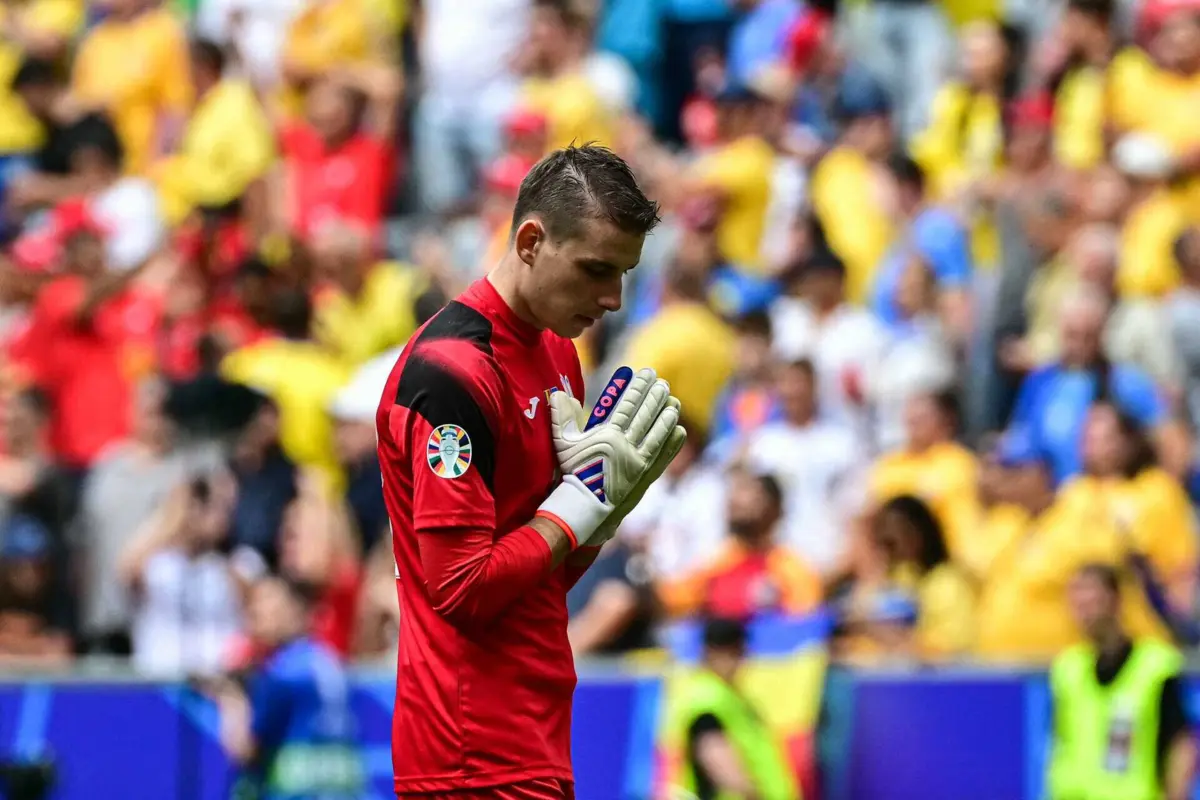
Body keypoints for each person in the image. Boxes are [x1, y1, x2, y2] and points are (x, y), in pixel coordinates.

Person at [376, 144, 687, 799]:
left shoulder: (558, 352)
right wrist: (576, 505)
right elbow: (462, 588)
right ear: (529, 241)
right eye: (596, 269)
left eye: (625, 274)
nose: (613, 298)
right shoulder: (452, 375)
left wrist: (604, 510)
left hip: (533, 739)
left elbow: (542, 575)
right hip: (468, 754)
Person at [1047, 563, 1196, 800]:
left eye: (1092, 601)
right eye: (1078, 603)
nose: (1084, 612)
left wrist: (1176, 793)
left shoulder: (1154, 667)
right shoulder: (1068, 671)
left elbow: (1180, 742)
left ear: (1115, 600)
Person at [214, 575, 364, 800]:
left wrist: (229, 699)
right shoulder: (330, 662)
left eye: (267, 603)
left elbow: (245, 750)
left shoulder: (282, 673)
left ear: (295, 611)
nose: (257, 612)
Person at [666, 617, 798, 800]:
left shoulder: (731, 696)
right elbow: (717, 757)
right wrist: (753, 795)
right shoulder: (707, 698)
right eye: (732, 654)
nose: (738, 662)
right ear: (709, 653)